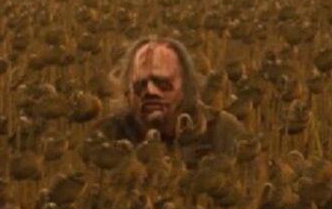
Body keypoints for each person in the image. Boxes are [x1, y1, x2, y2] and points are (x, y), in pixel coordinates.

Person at [96, 36, 243, 167]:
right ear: (128, 90)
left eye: (162, 83)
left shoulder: (221, 130)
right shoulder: (108, 134)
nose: (151, 91)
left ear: (185, 85)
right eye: (140, 84)